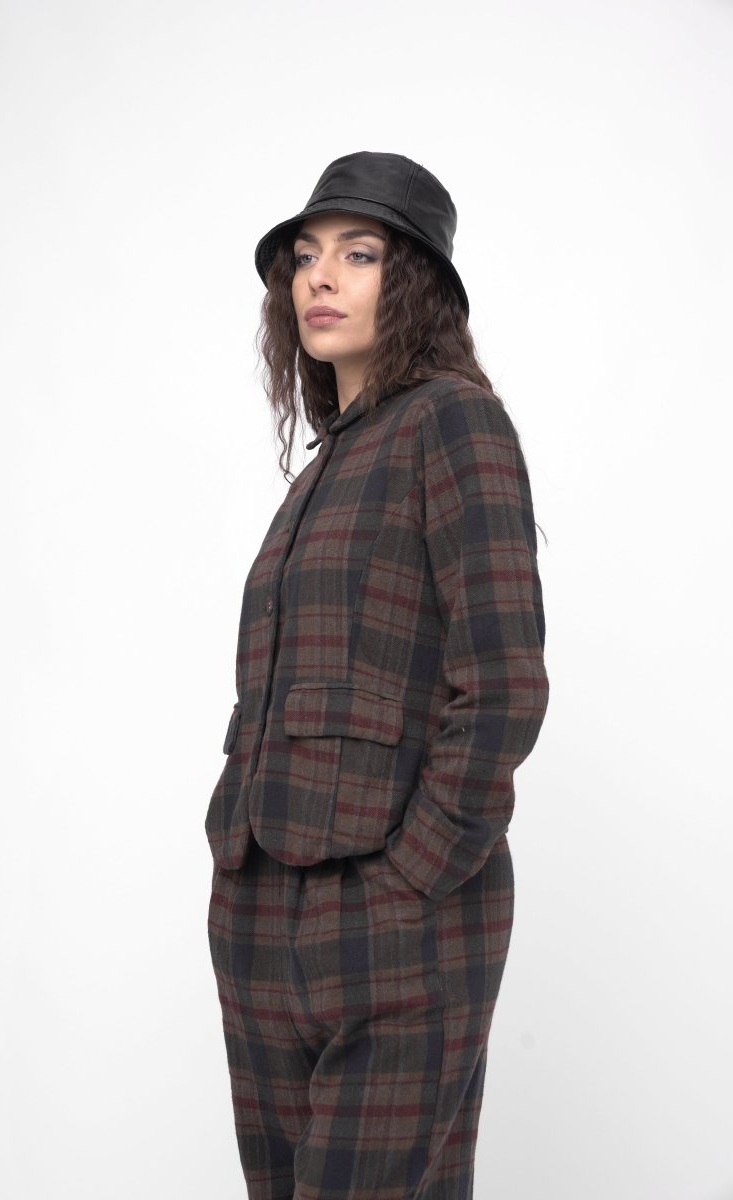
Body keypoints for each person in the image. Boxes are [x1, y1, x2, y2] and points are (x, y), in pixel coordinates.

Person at [205, 150, 549, 1200]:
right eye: (306, 256)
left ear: (416, 285)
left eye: (358, 255)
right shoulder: (326, 467)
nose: (320, 276)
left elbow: (503, 680)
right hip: (262, 916)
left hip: (394, 920)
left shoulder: (452, 420)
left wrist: (413, 882)